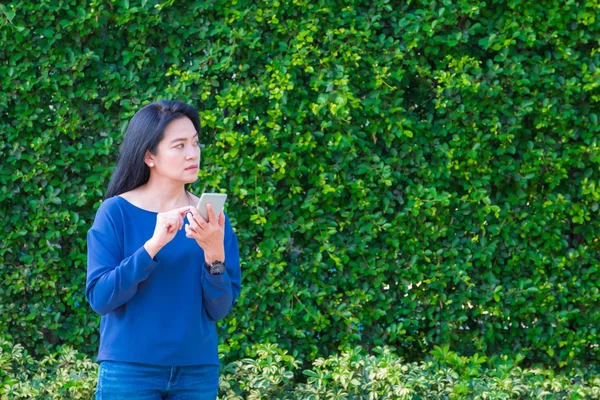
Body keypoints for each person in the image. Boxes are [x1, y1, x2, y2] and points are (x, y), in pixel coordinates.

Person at [86, 99, 241, 400]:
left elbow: (220, 308)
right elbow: (101, 298)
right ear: (149, 156)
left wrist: (214, 256)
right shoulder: (115, 212)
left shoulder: (211, 217)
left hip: (197, 373)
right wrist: (152, 246)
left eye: (195, 143)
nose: (193, 154)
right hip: (129, 371)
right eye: (179, 145)